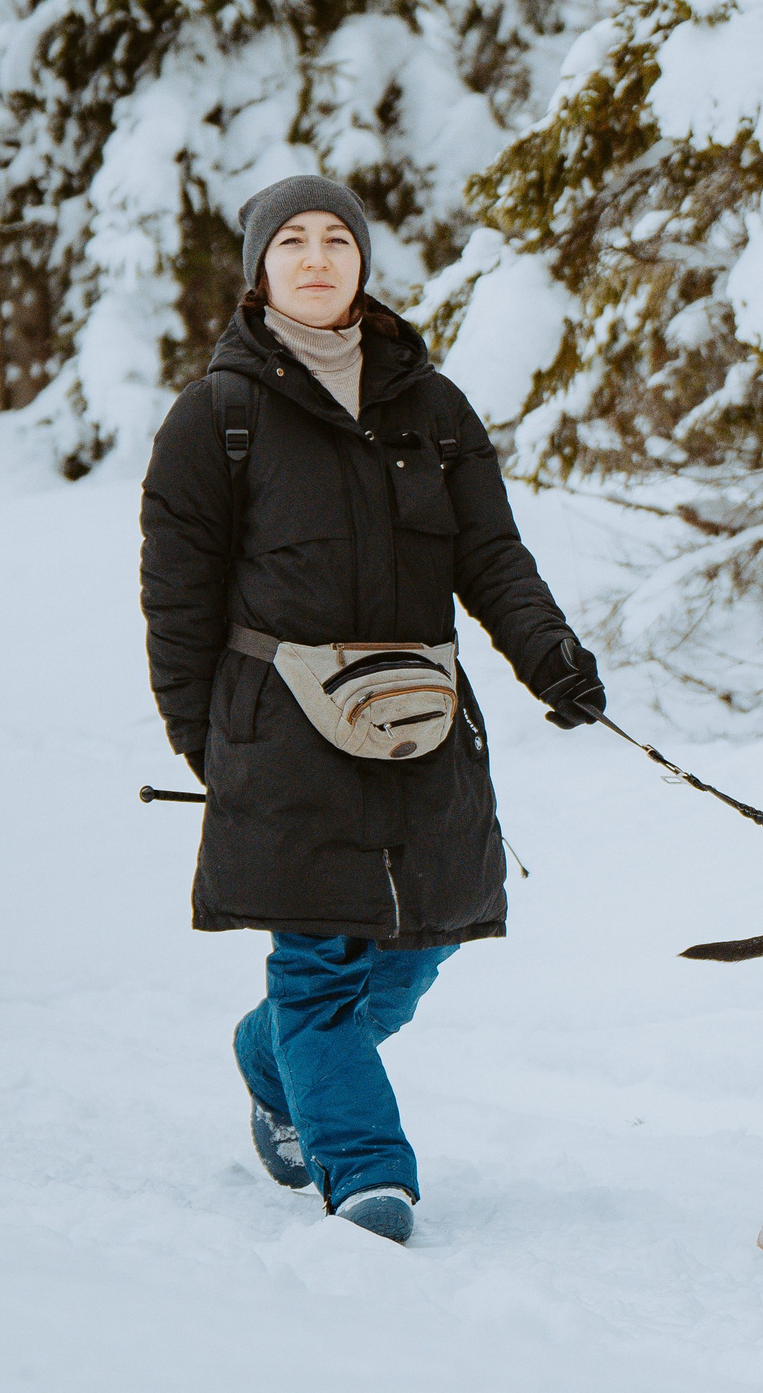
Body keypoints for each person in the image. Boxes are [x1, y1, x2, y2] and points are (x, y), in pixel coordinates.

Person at [139, 176, 608, 1243]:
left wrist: (551, 658)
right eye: (292, 241)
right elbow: (177, 597)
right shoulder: (216, 416)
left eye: (336, 240)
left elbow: (492, 556)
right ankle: (365, 1177)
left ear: (361, 261)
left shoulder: (432, 408)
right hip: (282, 728)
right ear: (260, 270)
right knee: (318, 970)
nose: (316, 258)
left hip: (422, 728)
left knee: (412, 952)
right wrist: (205, 738)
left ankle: (268, 1059)